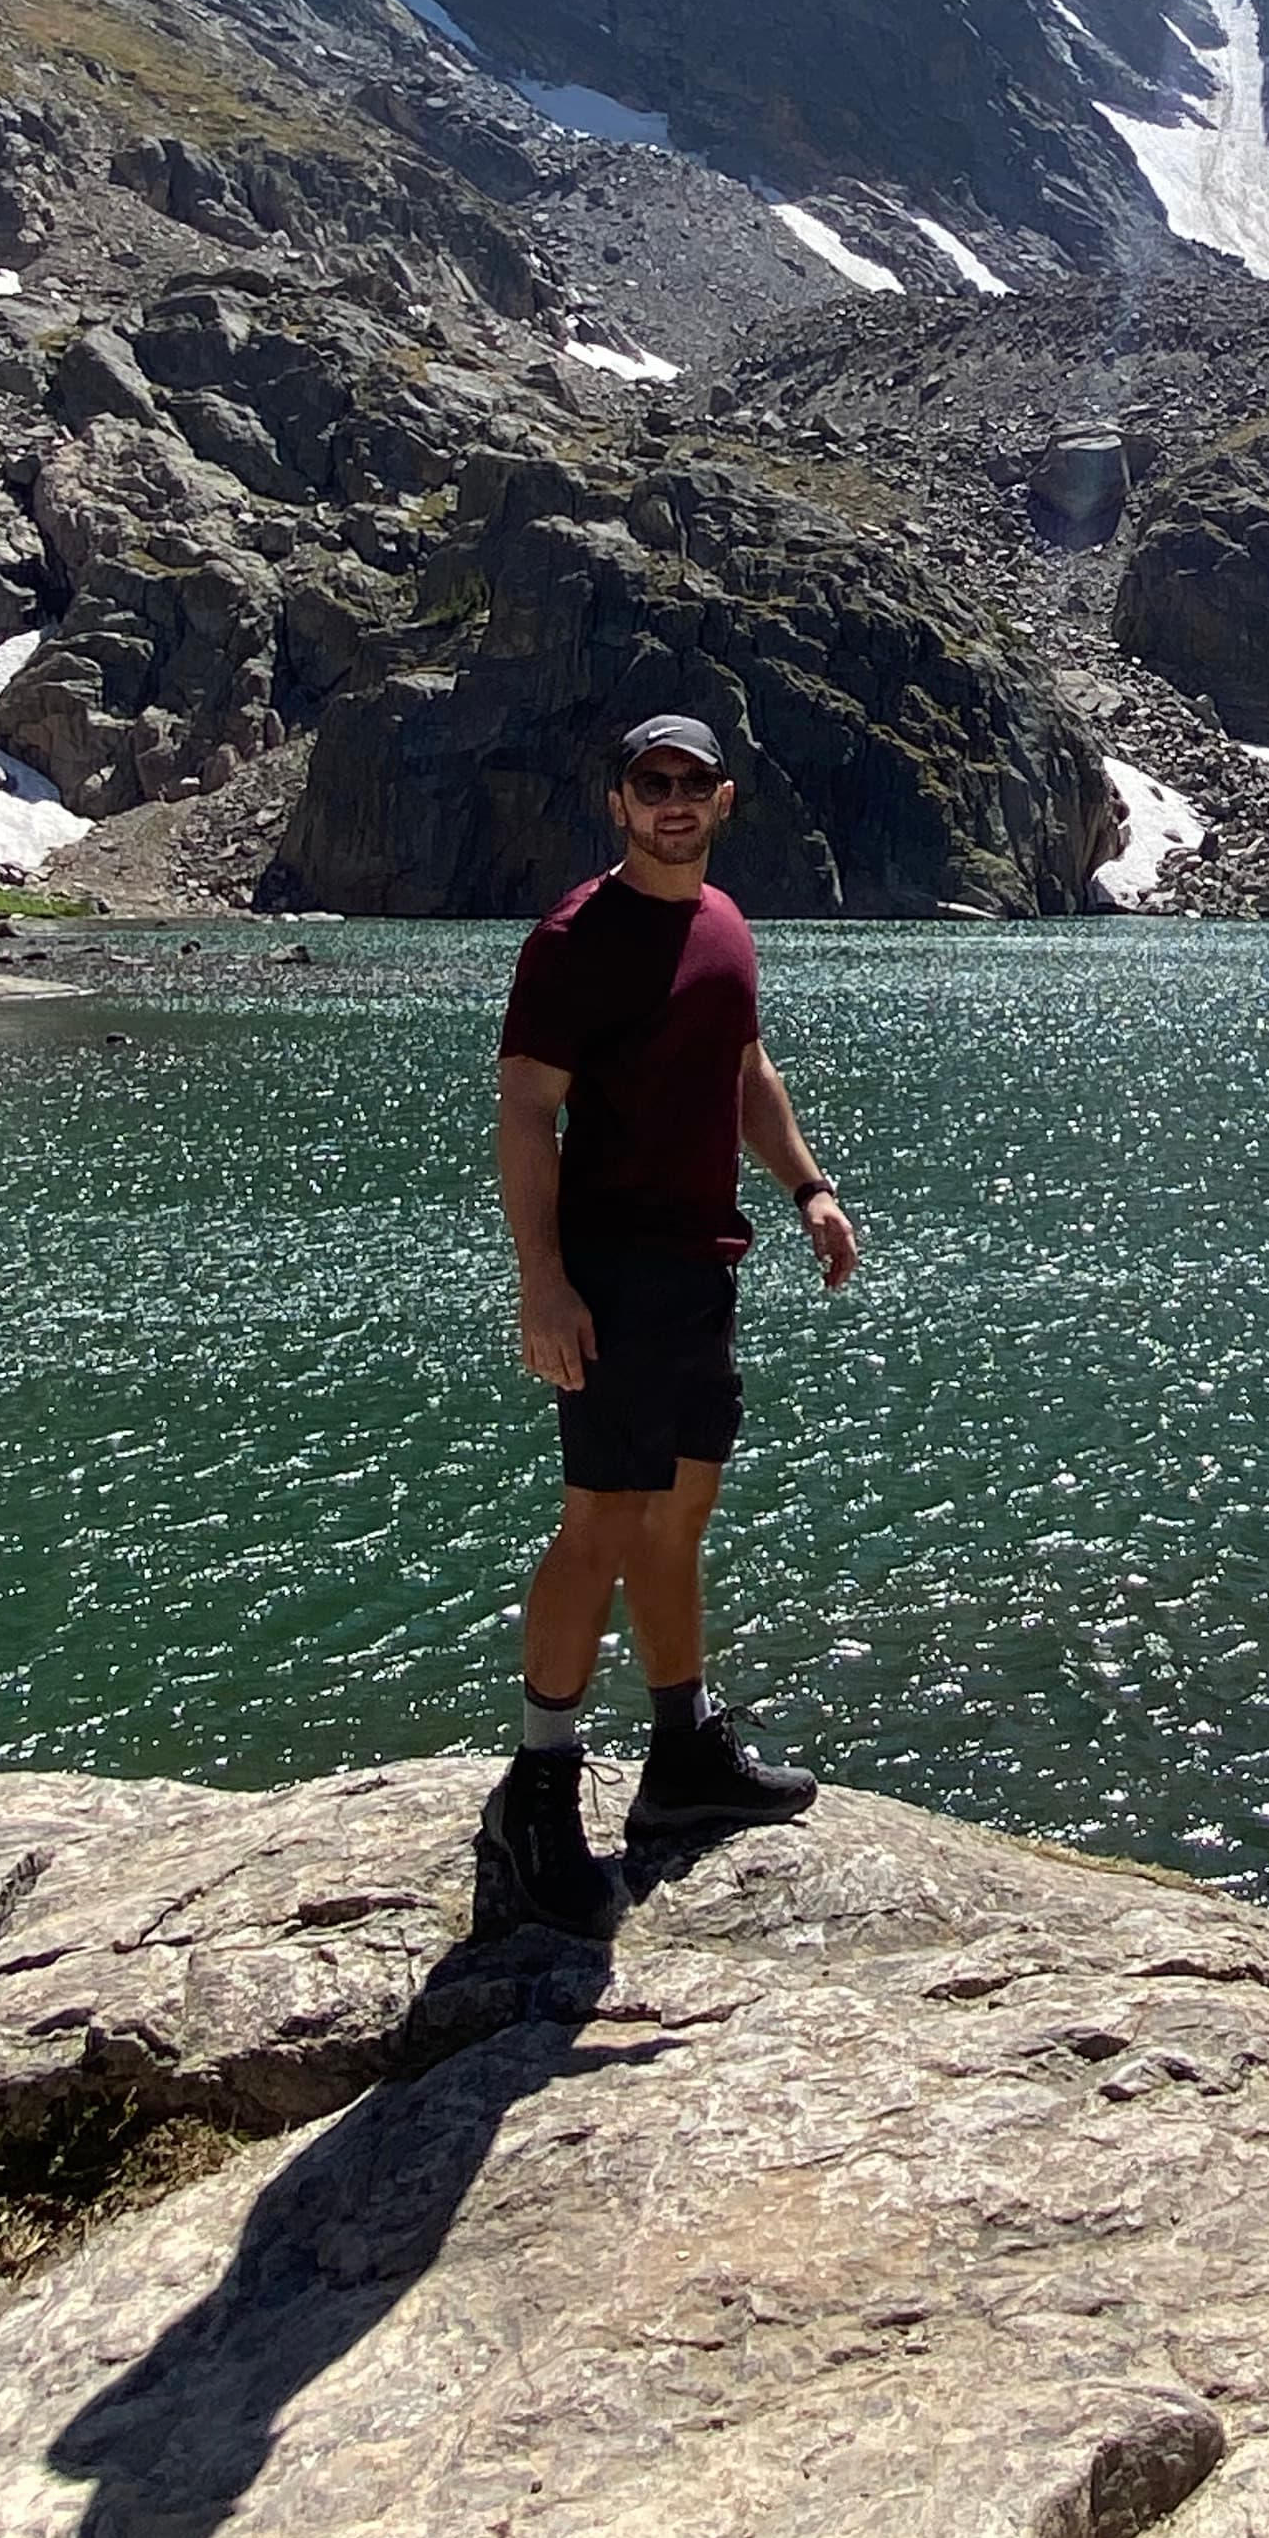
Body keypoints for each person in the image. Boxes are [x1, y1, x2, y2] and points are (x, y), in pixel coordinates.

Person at [476, 711, 860, 1937]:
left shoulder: (725, 924)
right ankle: (536, 1791)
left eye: (694, 783)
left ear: (724, 798)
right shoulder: (573, 942)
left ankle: (681, 1757)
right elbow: (528, 1114)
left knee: (683, 1507)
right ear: (619, 802)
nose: (674, 801)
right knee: (600, 1518)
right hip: (611, 1273)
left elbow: (745, 1064)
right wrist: (544, 1282)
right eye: (653, 783)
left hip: (702, 1268)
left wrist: (807, 1185)